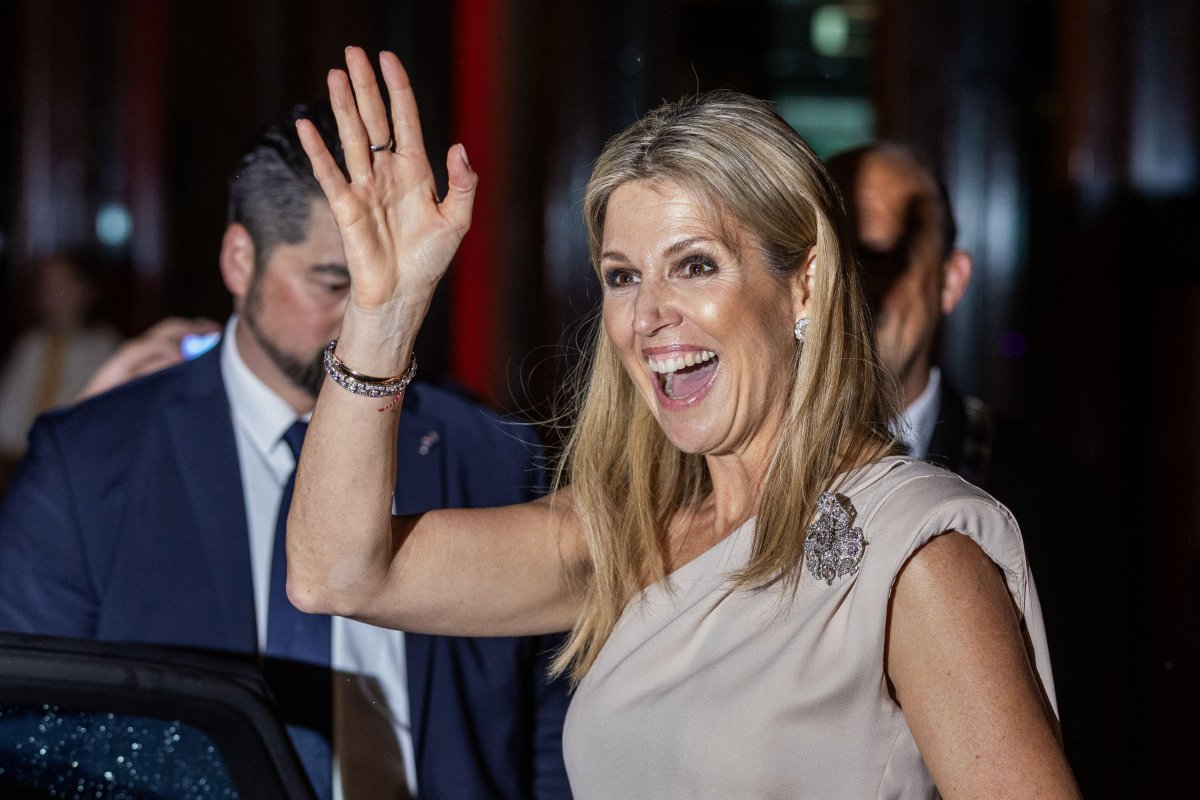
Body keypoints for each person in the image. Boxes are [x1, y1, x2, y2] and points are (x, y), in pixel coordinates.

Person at [287, 48, 1081, 798]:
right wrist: (384, 313)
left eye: (695, 264)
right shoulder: (627, 536)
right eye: (623, 277)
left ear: (804, 286)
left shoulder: (918, 555)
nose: (650, 315)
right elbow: (337, 573)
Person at [0, 99, 572, 800]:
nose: (368, 312)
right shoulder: (87, 460)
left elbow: (553, 736)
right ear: (241, 260)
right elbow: (29, 736)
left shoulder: (490, 453)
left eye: (389, 281)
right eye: (336, 282)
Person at [826, 142, 1119, 794]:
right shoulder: (732, 473)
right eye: (832, 257)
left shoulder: (1047, 497)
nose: (855, 288)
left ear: (951, 281)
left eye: (881, 257)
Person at [0, 252, 120, 483]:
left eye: (62, 283)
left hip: (75, 468)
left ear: (86, 290)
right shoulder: (30, 346)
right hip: (20, 467)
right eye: (46, 284)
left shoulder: (103, 346)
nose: (51, 293)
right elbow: (8, 414)